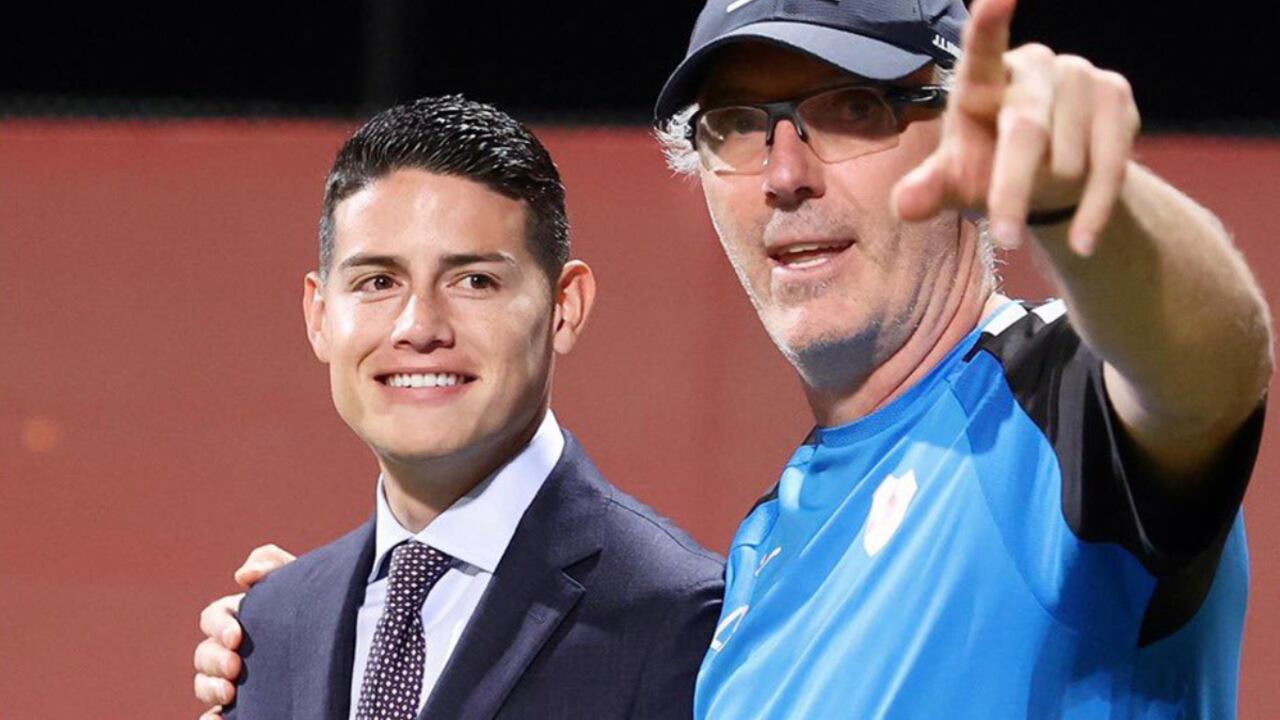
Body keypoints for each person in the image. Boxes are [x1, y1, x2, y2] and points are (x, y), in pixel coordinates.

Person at [198, 0, 1273, 716]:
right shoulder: (763, 556)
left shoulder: (1046, 410)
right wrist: (367, 626)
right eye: (738, 127)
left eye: (847, 109)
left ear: (956, 134)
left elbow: (1208, 375)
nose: (784, 174)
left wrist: (1094, 209)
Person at [203, 95, 723, 720]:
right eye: (378, 282)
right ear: (319, 316)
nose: (419, 326)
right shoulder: (271, 626)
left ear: (566, 305)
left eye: (474, 281)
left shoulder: (681, 616)